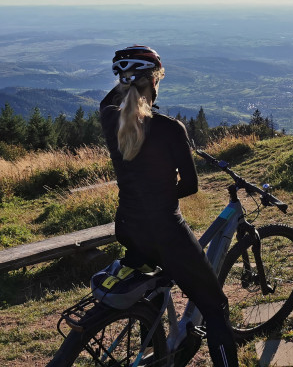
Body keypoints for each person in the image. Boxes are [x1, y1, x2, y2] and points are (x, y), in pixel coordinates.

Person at [99, 44, 238, 367]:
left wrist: (127, 79)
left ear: (123, 83)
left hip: (128, 229)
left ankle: (162, 335)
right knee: (215, 307)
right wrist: (163, 190)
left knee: (163, 278)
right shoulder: (170, 129)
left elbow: (108, 101)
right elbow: (190, 186)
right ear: (154, 81)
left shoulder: (110, 119)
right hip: (165, 233)